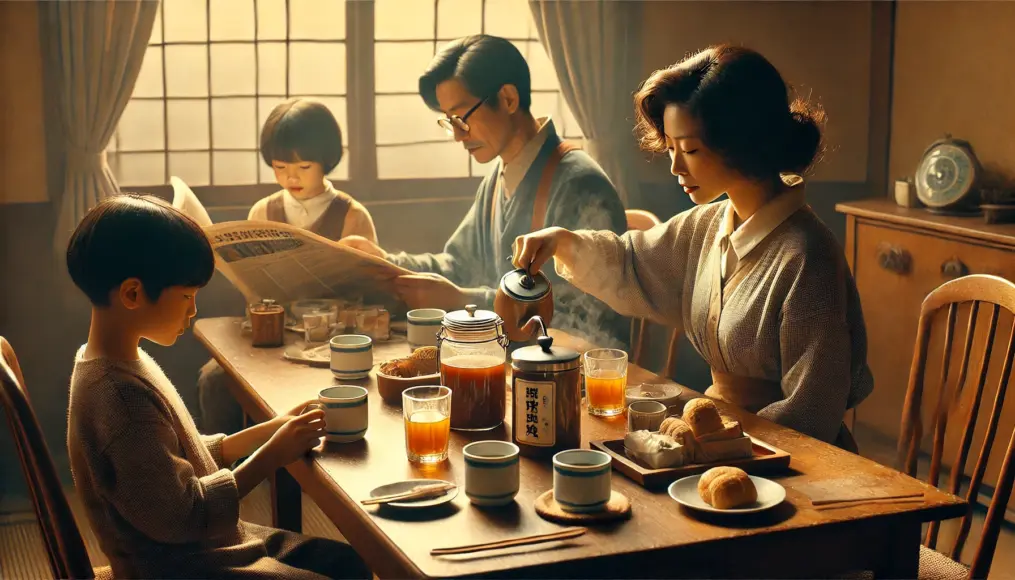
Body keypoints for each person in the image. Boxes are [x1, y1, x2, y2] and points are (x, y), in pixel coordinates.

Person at [511, 45, 873, 449]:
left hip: (789, 456)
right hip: (721, 432)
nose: (676, 168)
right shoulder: (707, 225)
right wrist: (563, 241)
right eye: (671, 149)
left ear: (741, 140)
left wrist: (719, 442)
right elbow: (632, 262)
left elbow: (813, 410)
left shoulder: (807, 255)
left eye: (691, 150)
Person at [65, 194, 371, 579]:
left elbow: (175, 458)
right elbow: (186, 515)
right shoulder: (118, 396)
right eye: (187, 296)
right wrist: (271, 455)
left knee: (346, 562)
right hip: (179, 567)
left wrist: (269, 430)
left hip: (208, 549)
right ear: (132, 294)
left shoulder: (115, 361)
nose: (193, 311)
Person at [340, 34, 629, 350]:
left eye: (462, 118)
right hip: (502, 357)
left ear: (507, 99)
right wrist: (386, 263)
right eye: (449, 122)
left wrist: (465, 299)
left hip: (566, 373)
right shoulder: (497, 177)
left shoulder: (579, 182)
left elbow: (587, 317)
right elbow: (459, 265)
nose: (458, 136)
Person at [200, 97, 378, 435]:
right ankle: (228, 472)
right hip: (273, 339)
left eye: (303, 167)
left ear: (326, 161)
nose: (290, 177)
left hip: (334, 342)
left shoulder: (352, 215)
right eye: (280, 168)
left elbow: (373, 290)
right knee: (213, 379)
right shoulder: (262, 212)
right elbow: (250, 291)